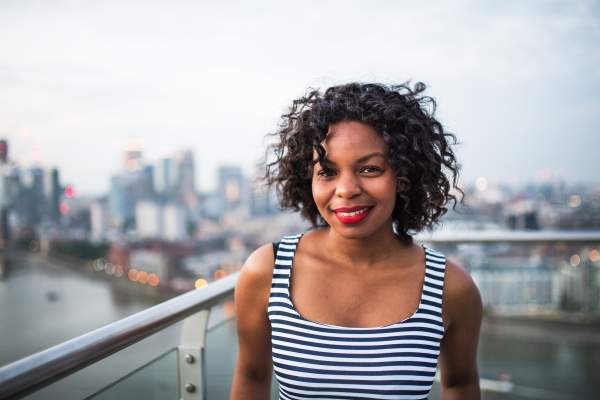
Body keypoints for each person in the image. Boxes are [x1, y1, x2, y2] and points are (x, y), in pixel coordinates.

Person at [230, 82, 482, 400]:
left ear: (404, 177)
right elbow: (251, 377)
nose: (346, 189)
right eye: (327, 172)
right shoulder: (268, 271)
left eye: (370, 169)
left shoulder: (451, 287)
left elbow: (460, 384)